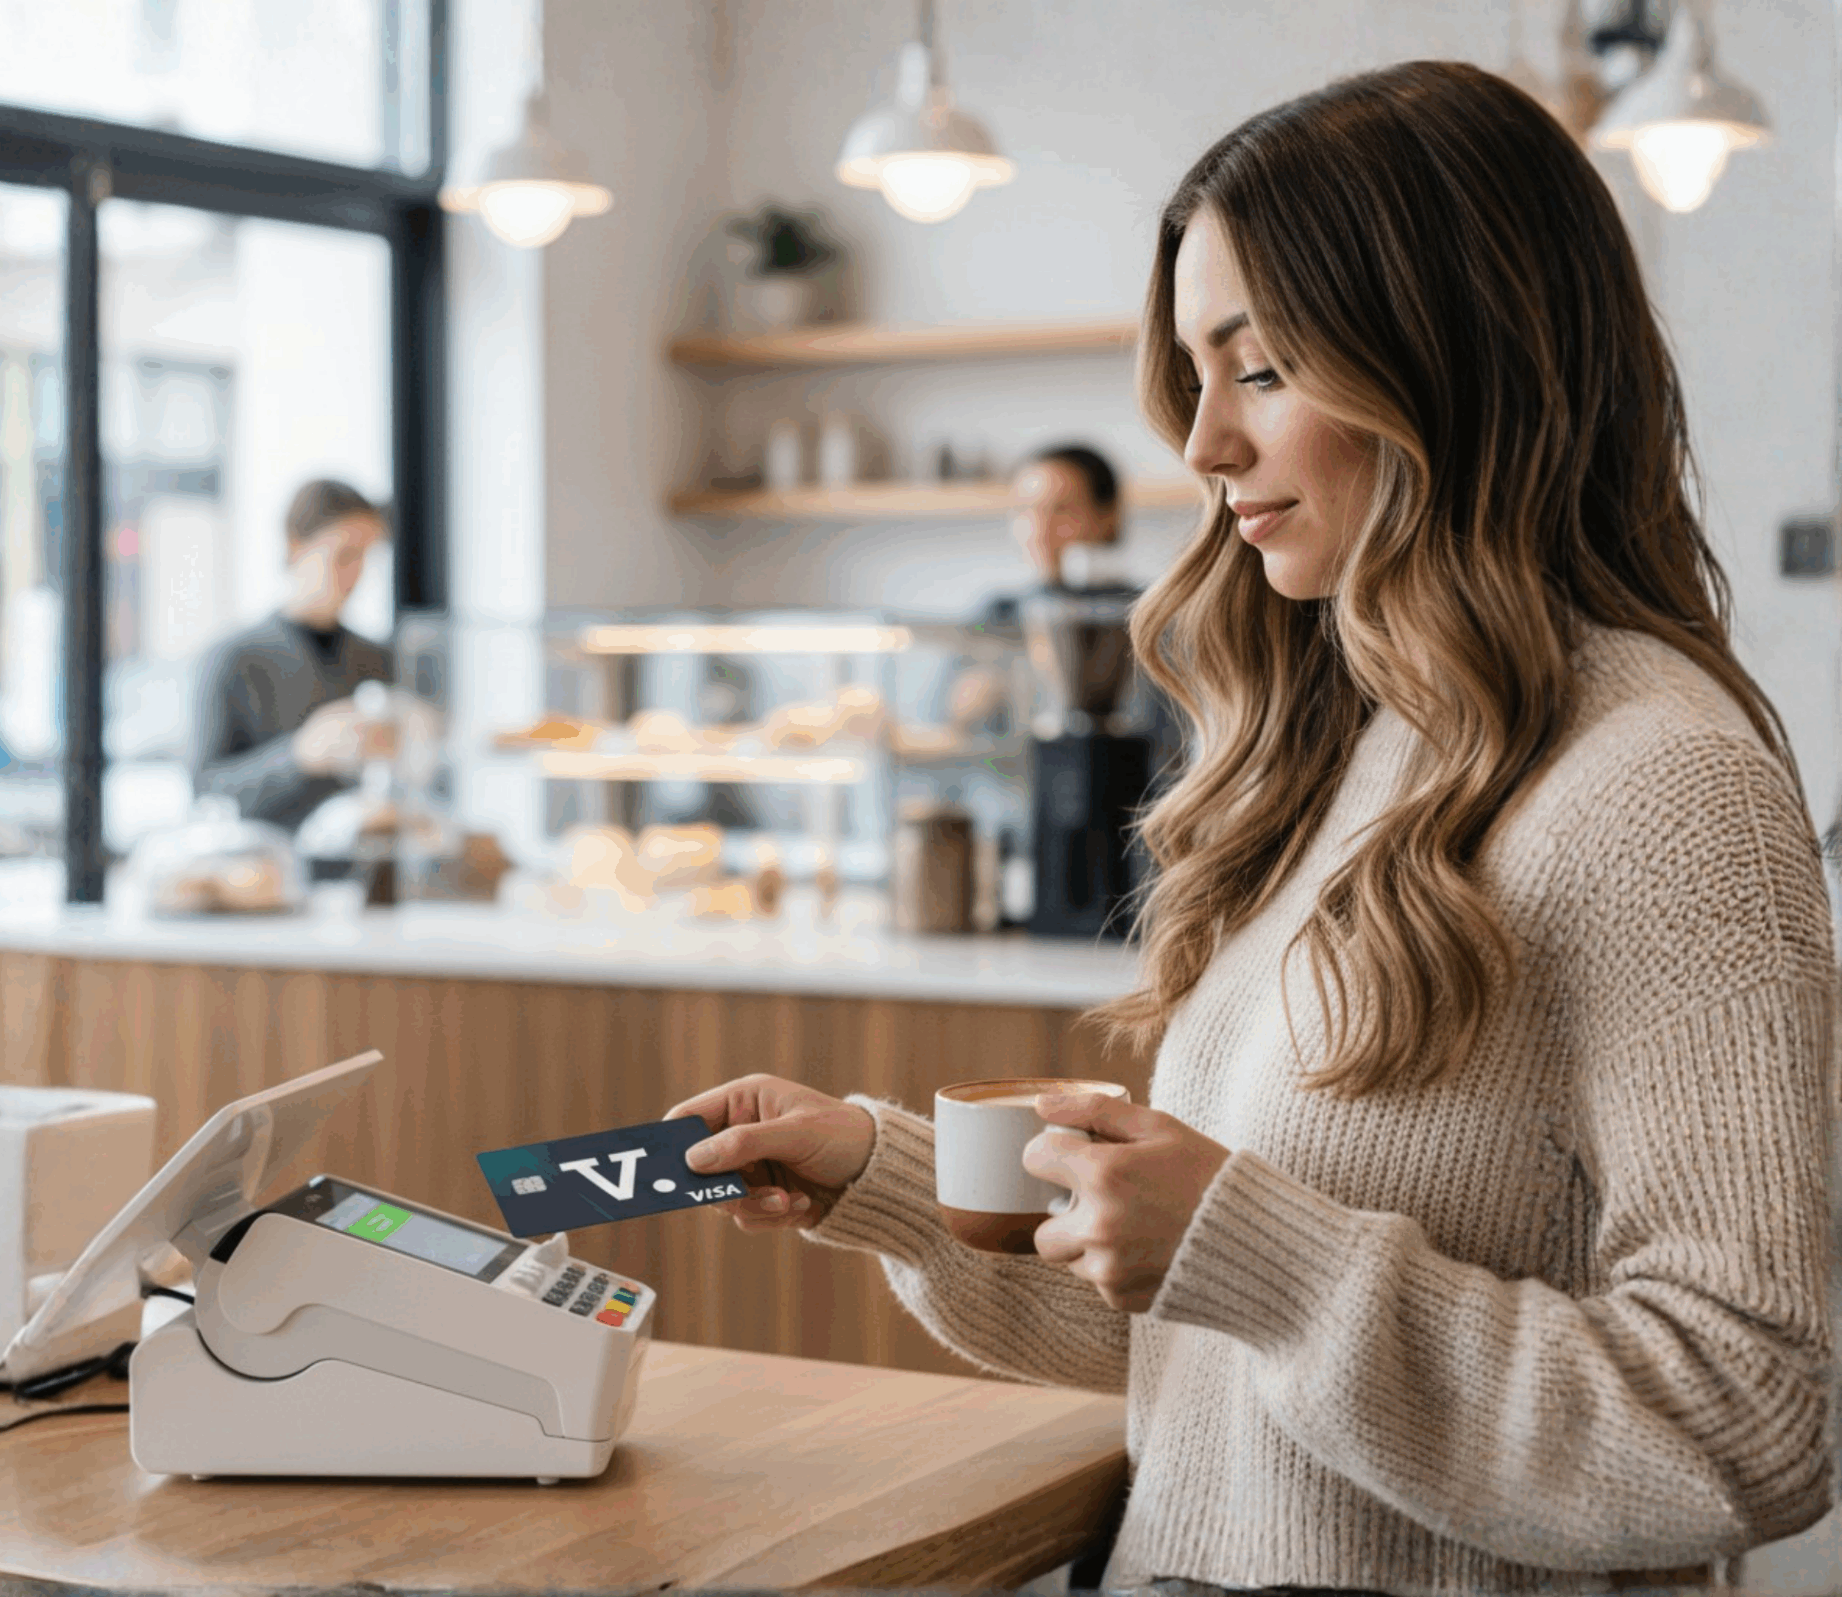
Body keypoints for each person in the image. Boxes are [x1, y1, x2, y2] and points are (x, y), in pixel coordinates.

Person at [665, 60, 1836, 1596]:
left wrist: (1249, 1245)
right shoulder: (1350, 743)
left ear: (1450, 363)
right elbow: (1210, 1323)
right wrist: (883, 1171)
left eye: (1263, 367)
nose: (1204, 445)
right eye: (1196, 376)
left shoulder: (1664, 790)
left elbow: (1748, 1417)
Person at [190, 479, 393, 830]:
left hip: (363, 860)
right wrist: (299, 755)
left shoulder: (376, 660)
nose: (356, 574)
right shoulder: (234, 659)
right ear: (296, 546)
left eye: (365, 557)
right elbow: (206, 792)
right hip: (265, 872)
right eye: (344, 555)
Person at [1010, 442, 1124, 588]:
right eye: (1024, 509)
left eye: (1060, 509)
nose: (1040, 528)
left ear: (1108, 516)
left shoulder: (1147, 608)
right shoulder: (996, 608)